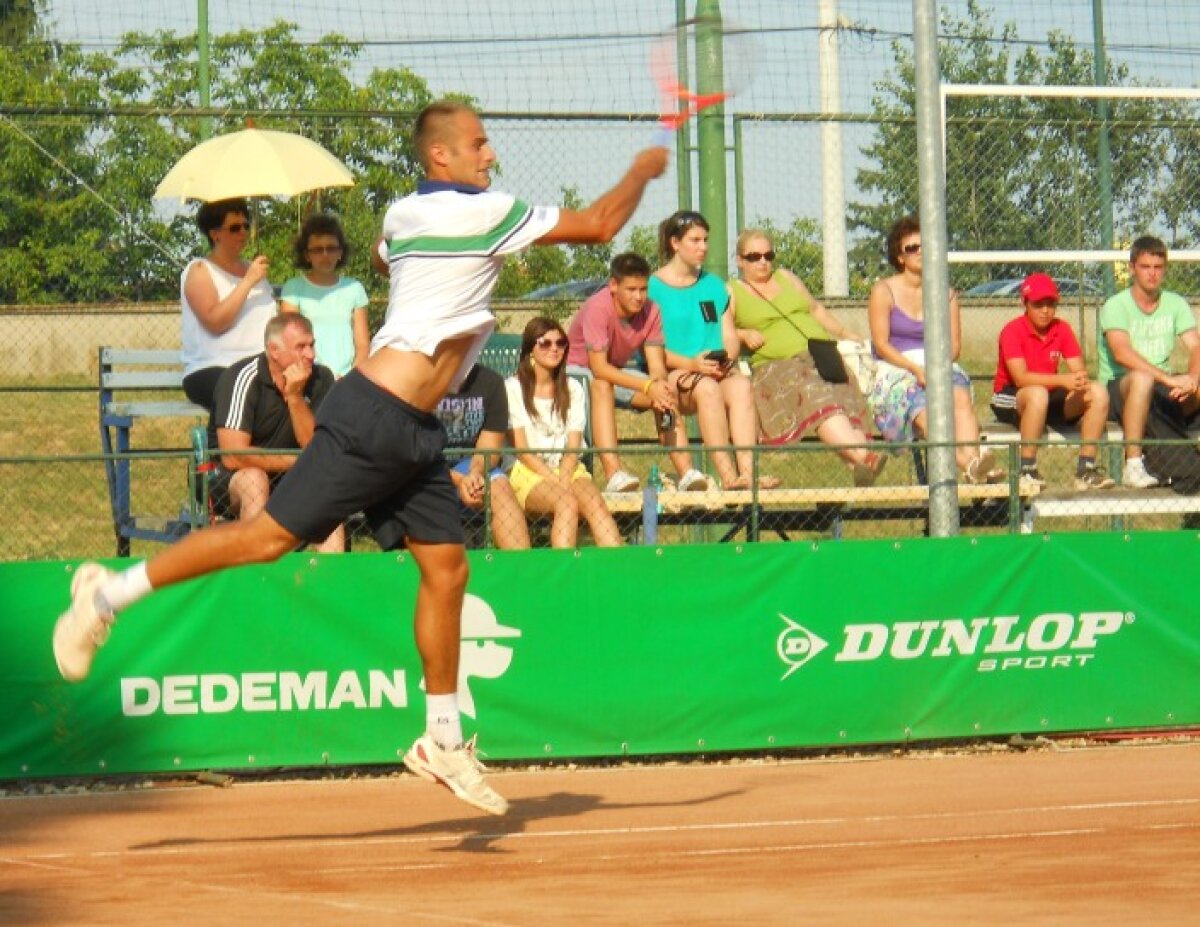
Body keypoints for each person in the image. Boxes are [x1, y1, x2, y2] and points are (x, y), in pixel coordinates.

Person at [52, 100, 668, 817]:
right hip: (373, 418)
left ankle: (442, 738)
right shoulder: (483, 211)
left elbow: (381, 256)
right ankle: (104, 596)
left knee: (447, 564)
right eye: (477, 144)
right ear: (442, 157)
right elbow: (598, 225)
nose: (489, 154)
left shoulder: (404, 215)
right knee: (266, 540)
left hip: (413, 427)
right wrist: (641, 170)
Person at [730, 228, 885, 487]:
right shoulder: (733, 291)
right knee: (816, 395)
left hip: (818, 354)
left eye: (768, 255)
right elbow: (720, 330)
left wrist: (845, 333)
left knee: (839, 394)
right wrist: (743, 333)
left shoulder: (786, 277)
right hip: (778, 367)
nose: (763, 262)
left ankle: (857, 464)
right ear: (739, 260)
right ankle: (863, 456)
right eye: (754, 257)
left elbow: (814, 309)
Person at [867, 214, 1004, 484]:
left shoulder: (947, 293)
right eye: (912, 248)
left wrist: (936, 368)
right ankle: (971, 465)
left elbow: (954, 346)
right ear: (899, 256)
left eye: (925, 246)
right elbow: (881, 344)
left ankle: (973, 466)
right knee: (922, 412)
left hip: (939, 365)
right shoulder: (883, 290)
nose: (920, 252)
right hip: (897, 368)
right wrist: (915, 369)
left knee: (960, 397)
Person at [649, 210, 780, 491]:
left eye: (706, 240)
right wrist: (693, 364)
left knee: (742, 386)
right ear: (675, 243)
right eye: (695, 240)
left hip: (714, 371)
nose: (703, 247)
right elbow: (653, 349)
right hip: (677, 375)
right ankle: (728, 477)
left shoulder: (713, 285)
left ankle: (748, 474)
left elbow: (729, 335)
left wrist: (727, 359)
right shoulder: (653, 288)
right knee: (707, 388)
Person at [206, 314, 344, 550]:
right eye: (300, 347)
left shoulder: (322, 379)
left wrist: (295, 396)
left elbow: (315, 446)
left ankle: (330, 580)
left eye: (312, 345)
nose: (310, 355)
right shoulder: (242, 378)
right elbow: (233, 456)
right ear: (273, 351)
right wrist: (299, 462)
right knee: (254, 479)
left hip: (292, 478)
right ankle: (255, 577)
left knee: (325, 485)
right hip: (231, 481)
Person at [565, 252, 684, 493]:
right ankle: (613, 475)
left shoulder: (652, 310)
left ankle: (686, 472)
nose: (639, 296)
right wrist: (647, 386)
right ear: (613, 285)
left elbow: (656, 363)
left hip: (612, 372)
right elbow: (598, 368)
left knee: (666, 389)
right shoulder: (597, 308)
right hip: (576, 374)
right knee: (601, 385)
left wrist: (659, 386)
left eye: (643, 289)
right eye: (631, 289)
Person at [990, 273, 1115, 491]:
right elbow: (1020, 378)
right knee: (1037, 393)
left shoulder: (1062, 328)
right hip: (1011, 395)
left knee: (1097, 392)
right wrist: (1063, 380)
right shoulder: (1012, 330)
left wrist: (1078, 381)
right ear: (1025, 303)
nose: (1045, 311)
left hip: (1046, 396)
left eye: (1051, 304)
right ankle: (1026, 470)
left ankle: (1086, 469)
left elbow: (1079, 371)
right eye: (1038, 304)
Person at [507, 317, 623, 548]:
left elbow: (573, 446)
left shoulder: (573, 388)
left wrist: (563, 476)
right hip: (528, 471)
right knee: (567, 503)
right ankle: (563, 577)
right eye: (545, 343)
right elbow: (523, 451)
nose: (554, 348)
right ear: (531, 348)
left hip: (568, 468)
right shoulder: (512, 388)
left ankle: (617, 571)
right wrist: (556, 482)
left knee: (595, 503)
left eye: (561, 343)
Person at [1098, 236, 1200, 488]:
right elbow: (1122, 353)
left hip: (1161, 387)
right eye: (1145, 267)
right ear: (1132, 268)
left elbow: (1196, 345)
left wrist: (1192, 381)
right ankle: (1133, 464)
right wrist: (1168, 379)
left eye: (1158, 267)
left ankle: (1176, 464)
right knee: (1144, 379)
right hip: (1120, 386)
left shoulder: (1175, 303)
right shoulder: (1116, 305)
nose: (1152, 274)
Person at [180, 198, 277, 411]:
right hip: (213, 368)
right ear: (215, 234)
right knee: (247, 391)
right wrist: (248, 282)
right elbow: (215, 322)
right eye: (234, 228)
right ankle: (227, 444)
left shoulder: (255, 271)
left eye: (246, 226)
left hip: (260, 367)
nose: (243, 232)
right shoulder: (199, 271)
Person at [434, 363, 530, 550]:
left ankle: (522, 570)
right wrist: (457, 480)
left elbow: (489, 448)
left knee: (500, 489)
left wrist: (475, 474)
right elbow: (413, 453)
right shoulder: (419, 381)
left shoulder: (490, 382)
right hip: (426, 469)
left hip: (470, 465)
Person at [279, 213, 370, 378]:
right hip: (308, 376)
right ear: (306, 255)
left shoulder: (355, 288)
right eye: (318, 250)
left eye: (331, 248)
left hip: (348, 379)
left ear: (340, 252)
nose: (325, 255)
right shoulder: (293, 289)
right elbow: (290, 342)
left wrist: (350, 378)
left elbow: (363, 345)